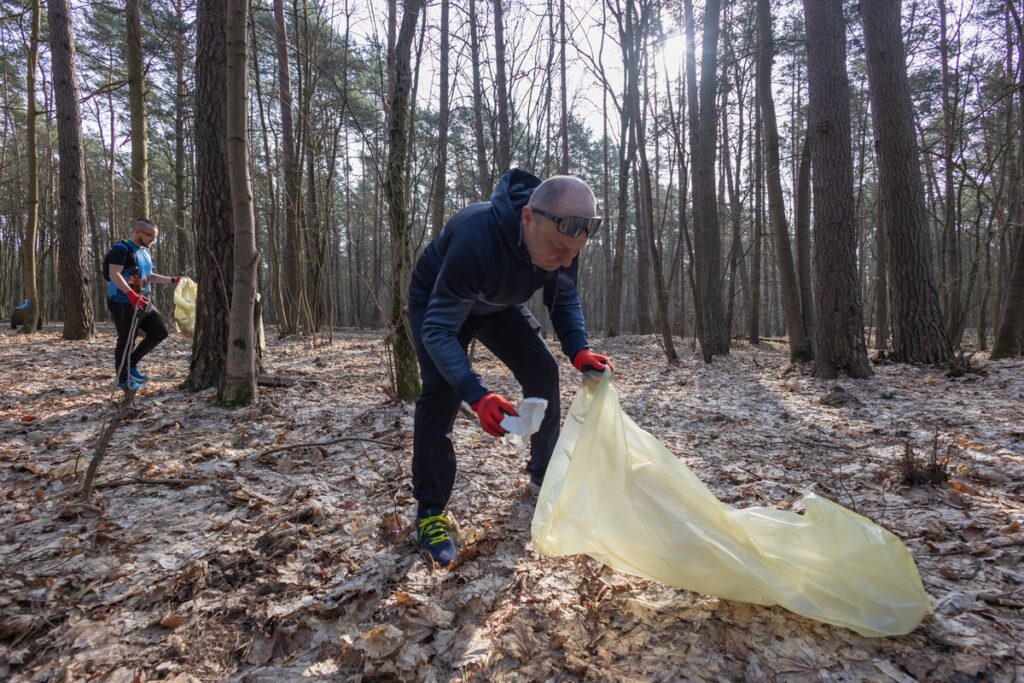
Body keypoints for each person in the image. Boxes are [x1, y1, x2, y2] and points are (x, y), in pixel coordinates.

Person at [408, 169, 613, 568]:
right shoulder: (476, 234)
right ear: (527, 218)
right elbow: (437, 329)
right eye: (558, 250)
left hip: (497, 306)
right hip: (439, 305)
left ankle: (543, 476)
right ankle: (429, 514)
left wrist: (578, 349)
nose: (565, 261)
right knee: (441, 393)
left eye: (574, 253)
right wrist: (477, 393)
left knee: (542, 369)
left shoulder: (563, 242)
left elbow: (563, 298)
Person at [103, 218, 181, 390]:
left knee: (159, 332)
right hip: (122, 302)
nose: (153, 240)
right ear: (137, 232)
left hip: (143, 300)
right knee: (126, 340)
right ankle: (123, 379)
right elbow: (114, 274)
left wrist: (173, 280)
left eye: (155, 237)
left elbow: (149, 276)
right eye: (150, 236)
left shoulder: (144, 251)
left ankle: (132, 364)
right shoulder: (121, 249)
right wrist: (130, 294)